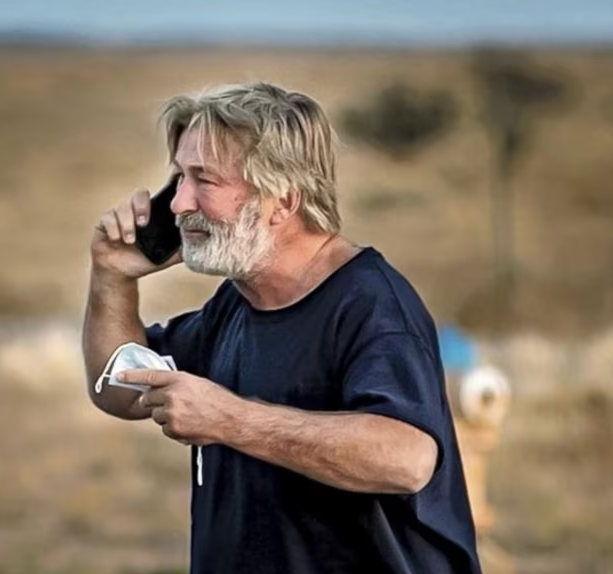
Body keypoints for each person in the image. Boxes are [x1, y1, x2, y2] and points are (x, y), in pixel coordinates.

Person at [81, 81, 483, 574]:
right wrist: (112, 276)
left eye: (203, 180)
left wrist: (230, 420)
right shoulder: (236, 303)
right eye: (178, 178)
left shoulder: (372, 306)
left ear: (283, 200)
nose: (179, 204)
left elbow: (405, 458)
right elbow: (119, 389)